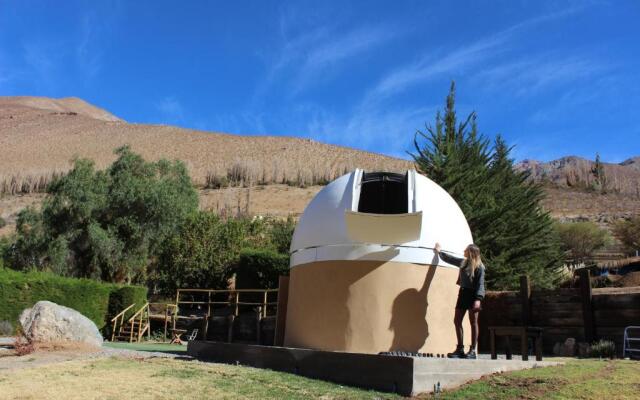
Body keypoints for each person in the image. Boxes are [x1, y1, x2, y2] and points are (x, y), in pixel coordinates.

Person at [433, 242, 485, 359]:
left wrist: (478, 299)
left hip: (473, 296)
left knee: (473, 323)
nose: (463, 251)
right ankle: (460, 349)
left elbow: (480, 284)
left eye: (466, 250)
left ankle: (472, 350)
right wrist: (439, 252)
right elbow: (450, 259)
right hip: (463, 294)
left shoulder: (479, 267)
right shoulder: (463, 262)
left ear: (471, 252)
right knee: (457, 321)